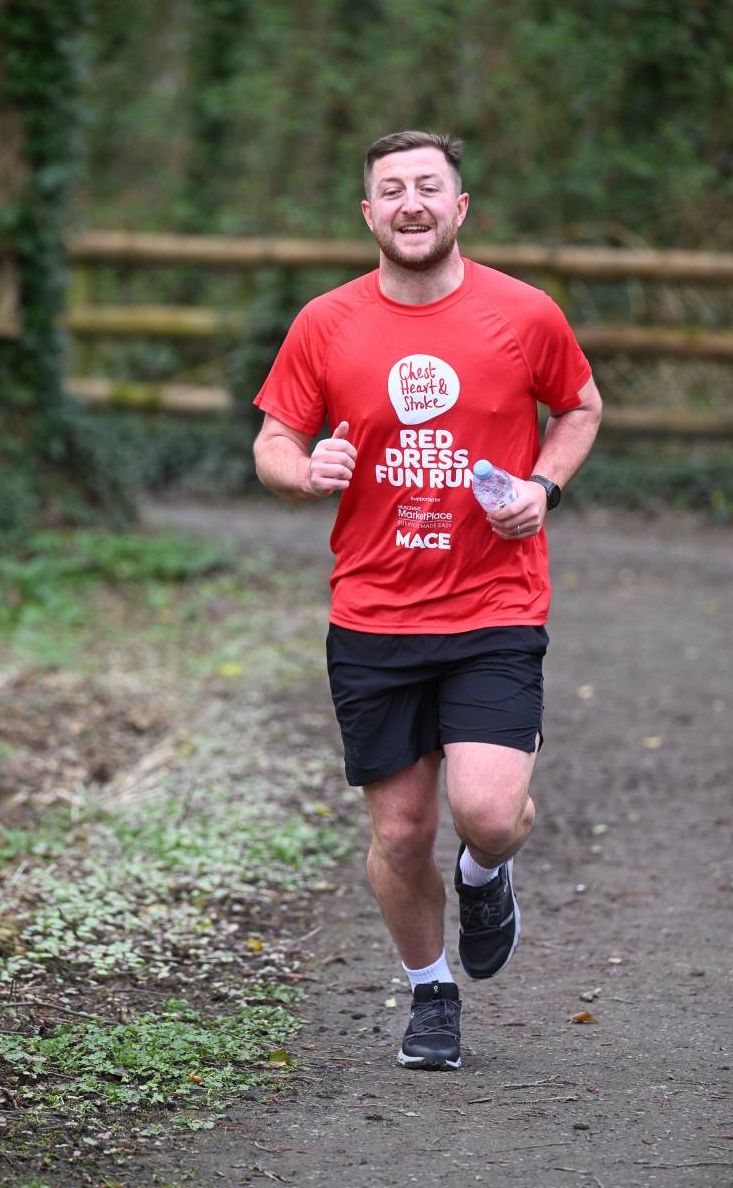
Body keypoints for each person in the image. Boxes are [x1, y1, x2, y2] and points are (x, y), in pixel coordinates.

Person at [253, 130, 602, 1070]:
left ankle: (486, 874)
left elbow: (580, 405)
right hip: (373, 615)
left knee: (487, 813)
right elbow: (274, 441)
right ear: (369, 213)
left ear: (460, 207)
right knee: (401, 832)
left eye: (429, 186)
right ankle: (431, 992)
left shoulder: (523, 312)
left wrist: (544, 486)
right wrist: (303, 470)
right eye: (393, 189)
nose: (412, 202)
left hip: (495, 604)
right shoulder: (325, 322)